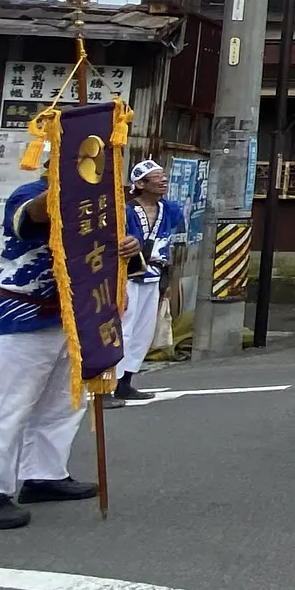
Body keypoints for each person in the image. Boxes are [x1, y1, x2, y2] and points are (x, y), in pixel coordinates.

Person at [0, 164, 128, 528]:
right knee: (8, 406)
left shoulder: (98, 207)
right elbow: (34, 214)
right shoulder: (28, 195)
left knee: (65, 403)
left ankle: (44, 474)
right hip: (26, 314)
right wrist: (65, 189)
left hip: (75, 317)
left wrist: (125, 246)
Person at [108, 158, 185, 407]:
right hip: (128, 277)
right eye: (157, 177)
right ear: (140, 184)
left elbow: (170, 244)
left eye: (164, 176)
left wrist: (168, 281)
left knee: (143, 332)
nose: (163, 180)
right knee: (123, 331)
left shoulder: (170, 209)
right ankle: (107, 385)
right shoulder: (126, 211)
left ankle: (125, 383)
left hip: (154, 277)